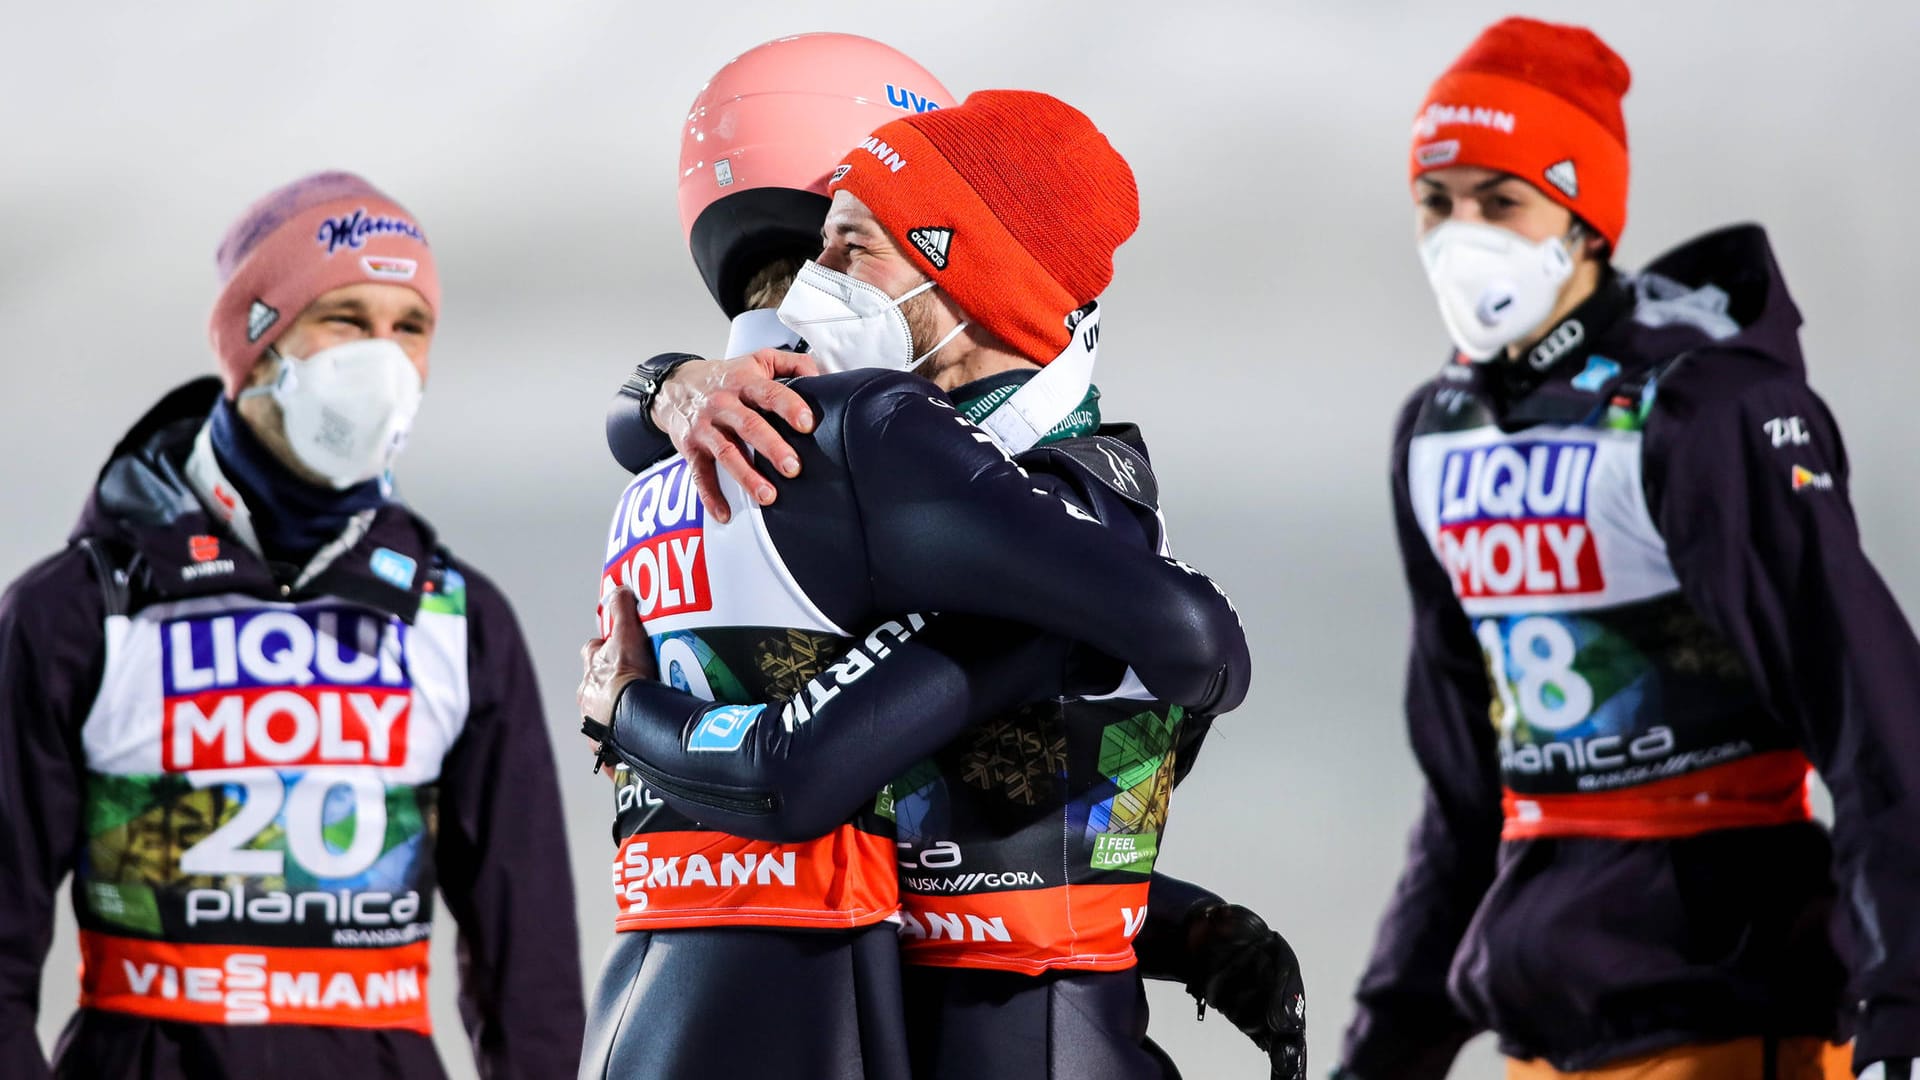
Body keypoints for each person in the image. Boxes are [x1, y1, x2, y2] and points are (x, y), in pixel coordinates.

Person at [583, 80, 1302, 1080]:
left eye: (847, 250)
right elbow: (959, 828)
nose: (803, 294)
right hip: (956, 1020)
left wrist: (623, 709)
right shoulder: (944, 500)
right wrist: (667, 385)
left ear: (962, 274)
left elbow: (800, 775)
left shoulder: (1057, 507)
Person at [1334, 17, 1920, 1080]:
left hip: (1729, 1015)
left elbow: (1879, 731)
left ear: (1584, 217)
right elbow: (1468, 791)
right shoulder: (1440, 432)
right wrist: (1386, 1051)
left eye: (1500, 201)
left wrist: (1906, 1013)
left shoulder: (1704, 412)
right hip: (1547, 1025)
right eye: (1437, 201)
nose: (1462, 235)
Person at [0, 172, 585, 1080]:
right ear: (257, 343)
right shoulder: (80, 610)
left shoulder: (456, 619)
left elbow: (530, 964)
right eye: (346, 320)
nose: (383, 358)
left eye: (411, 327)